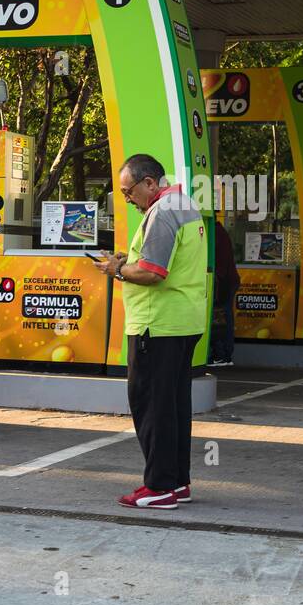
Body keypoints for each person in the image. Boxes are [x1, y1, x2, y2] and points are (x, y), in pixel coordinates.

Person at [94, 154, 206, 509]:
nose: (127, 200)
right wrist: (128, 262)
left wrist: (117, 269)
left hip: (155, 325)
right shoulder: (184, 204)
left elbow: (155, 273)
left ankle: (158, 486)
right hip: (182, 322)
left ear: (149, 183)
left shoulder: (162, 213)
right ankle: (177, 483)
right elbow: (162, 263)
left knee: (151, 407)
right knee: (173, 406)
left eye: (129, 192)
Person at [208, 219, 239, 367]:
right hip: (226, 280)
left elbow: (217, 264)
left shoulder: (214, 234)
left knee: (219, 316)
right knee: (223, 316)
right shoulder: (218, 231)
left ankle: (220, 355)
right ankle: (223, 355)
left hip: (222, 282)